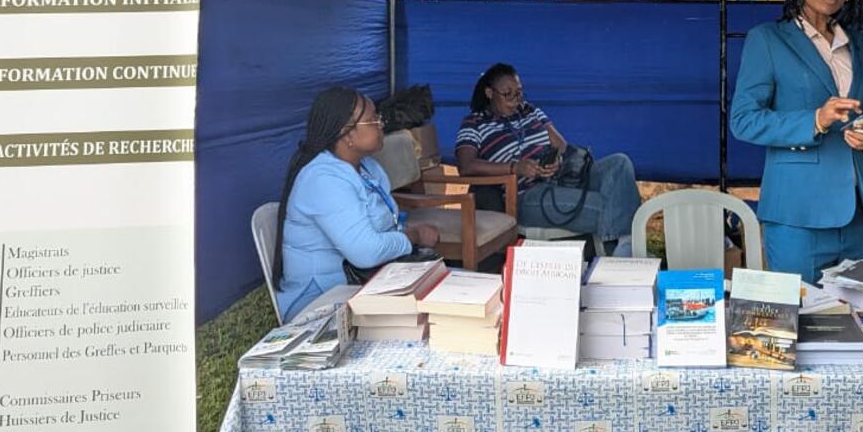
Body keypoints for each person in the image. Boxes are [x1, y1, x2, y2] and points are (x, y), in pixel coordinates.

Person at [730, 0, 863, 283]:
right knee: (798, 311)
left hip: (855, 211)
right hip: (797, 212)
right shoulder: (768, 39)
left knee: (852, 311)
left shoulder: (856, 43)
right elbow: (743, 120)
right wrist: (815, 120)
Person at [272, 86, 440, 322]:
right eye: (372, 120)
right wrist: (413, 236)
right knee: (430, 320)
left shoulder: (368, 167)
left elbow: (384, 226)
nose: (381, 123)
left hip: (367, 283)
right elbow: (366, 253)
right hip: (321, 301)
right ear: (347, 134)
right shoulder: (324, 179)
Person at [454, 64, 639, 251]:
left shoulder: (530, 110)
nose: (515, 100)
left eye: (519, 93)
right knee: (611, 206)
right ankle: (623, 254)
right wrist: (515, 168)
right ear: (489, 93)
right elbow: (466, 166)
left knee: (620, 163)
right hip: (528, 193)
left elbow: (561, 146)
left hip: (564, 178)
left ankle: (619, 250)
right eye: (507, 94)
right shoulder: (474, 123)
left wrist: (557, 160)